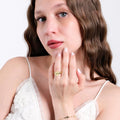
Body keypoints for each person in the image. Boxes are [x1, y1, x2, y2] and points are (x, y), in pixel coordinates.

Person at [0, 0, 120, 119]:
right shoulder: (18, 69)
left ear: (90, 16)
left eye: (63, 14)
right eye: (41, 18)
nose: (48, 29)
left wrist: (62, 102)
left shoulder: (114, 100)